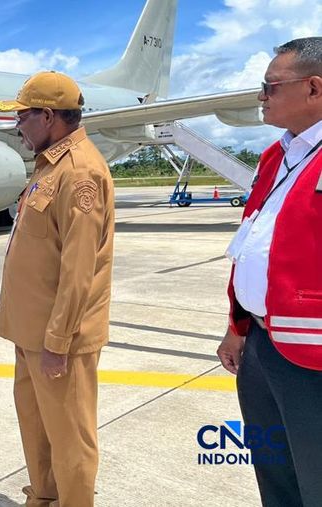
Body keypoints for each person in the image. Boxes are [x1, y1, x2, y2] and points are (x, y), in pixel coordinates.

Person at [0, 71, 115, 507]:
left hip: (59, 339)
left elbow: (79, 268)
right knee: (36, 424)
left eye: (22, 118)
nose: (18, 128)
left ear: (47, 116)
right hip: (33, 333)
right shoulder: (51, 166)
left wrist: (58, 341)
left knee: (70, 438)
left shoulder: (81, 173)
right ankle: (43, 496)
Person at [216, 37, 322, 506]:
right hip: (261, 344)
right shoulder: (275, 157)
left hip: (313, 357)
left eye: (271, 86)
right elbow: (252, 243)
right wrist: (237, 327)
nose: (261, 96)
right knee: (275, 476)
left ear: (314, 87)